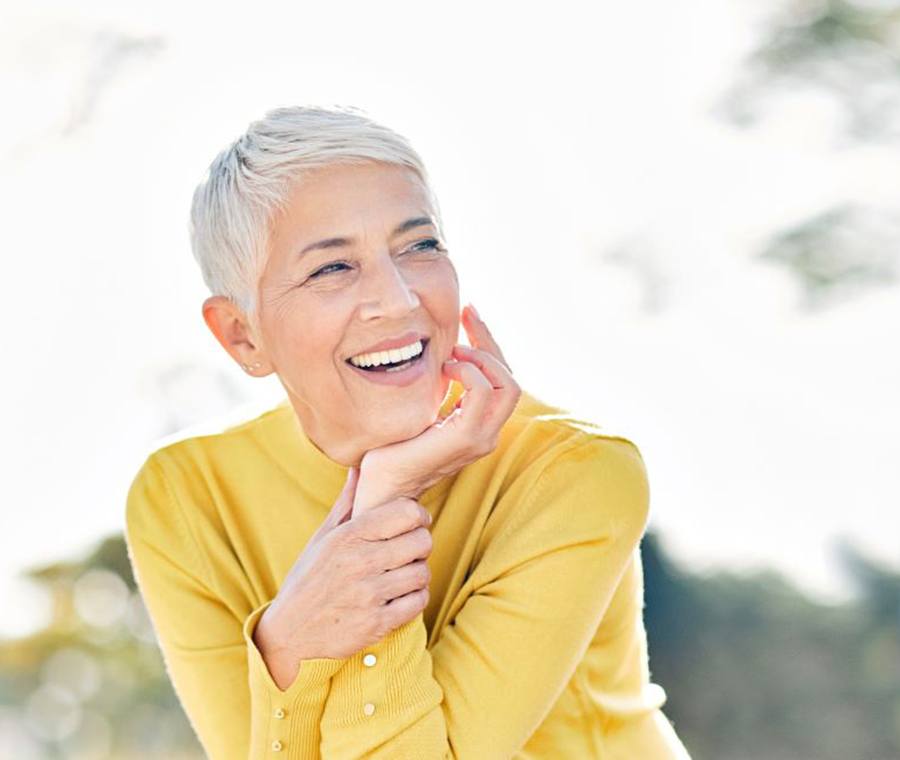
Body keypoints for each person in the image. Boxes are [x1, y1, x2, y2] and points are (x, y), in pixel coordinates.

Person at [124, 104, 692, 759]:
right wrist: (286, 645)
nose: (397, 299)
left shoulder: (576, 471)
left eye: (419, 245)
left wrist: (384, 501)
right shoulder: (184, 498)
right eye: (332, 268)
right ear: (242, 335)